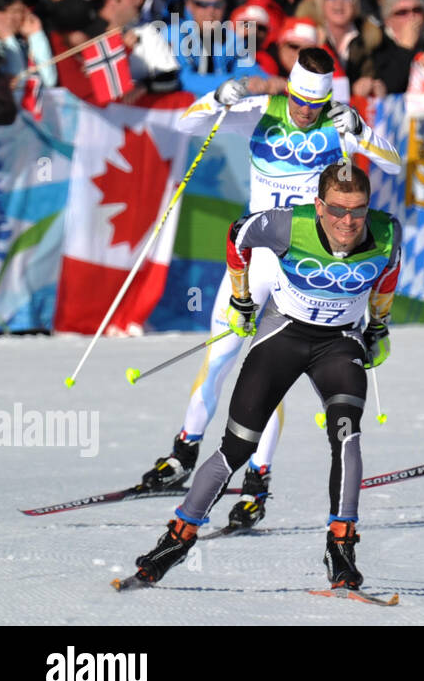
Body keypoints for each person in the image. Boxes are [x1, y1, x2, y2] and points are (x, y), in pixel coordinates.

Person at [138, 47, 401, 532]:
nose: (304, 112)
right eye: (299, 100)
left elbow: (395, 165)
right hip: (256, 254)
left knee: (270, 369)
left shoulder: (337, 123)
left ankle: (257, 482)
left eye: (313, 104)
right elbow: (186, 125)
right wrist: (219, 97)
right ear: (290, 88)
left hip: (299, 269)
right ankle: (183, 454)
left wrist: (362, 131)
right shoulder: (262, 112)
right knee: (219, 356)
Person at [123, 162, 402, 589]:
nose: (347, 222)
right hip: (284, 336)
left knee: (346, 433)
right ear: (318, 204)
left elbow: (387, 277)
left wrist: (378, 326)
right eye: (337, 210)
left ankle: (341, 547)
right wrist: (240, 298)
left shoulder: (387, 233)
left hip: (340, 344)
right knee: (236, 448)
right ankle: (178, 538)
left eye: (358, 210)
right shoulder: (288, 225)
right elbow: (238, 235)